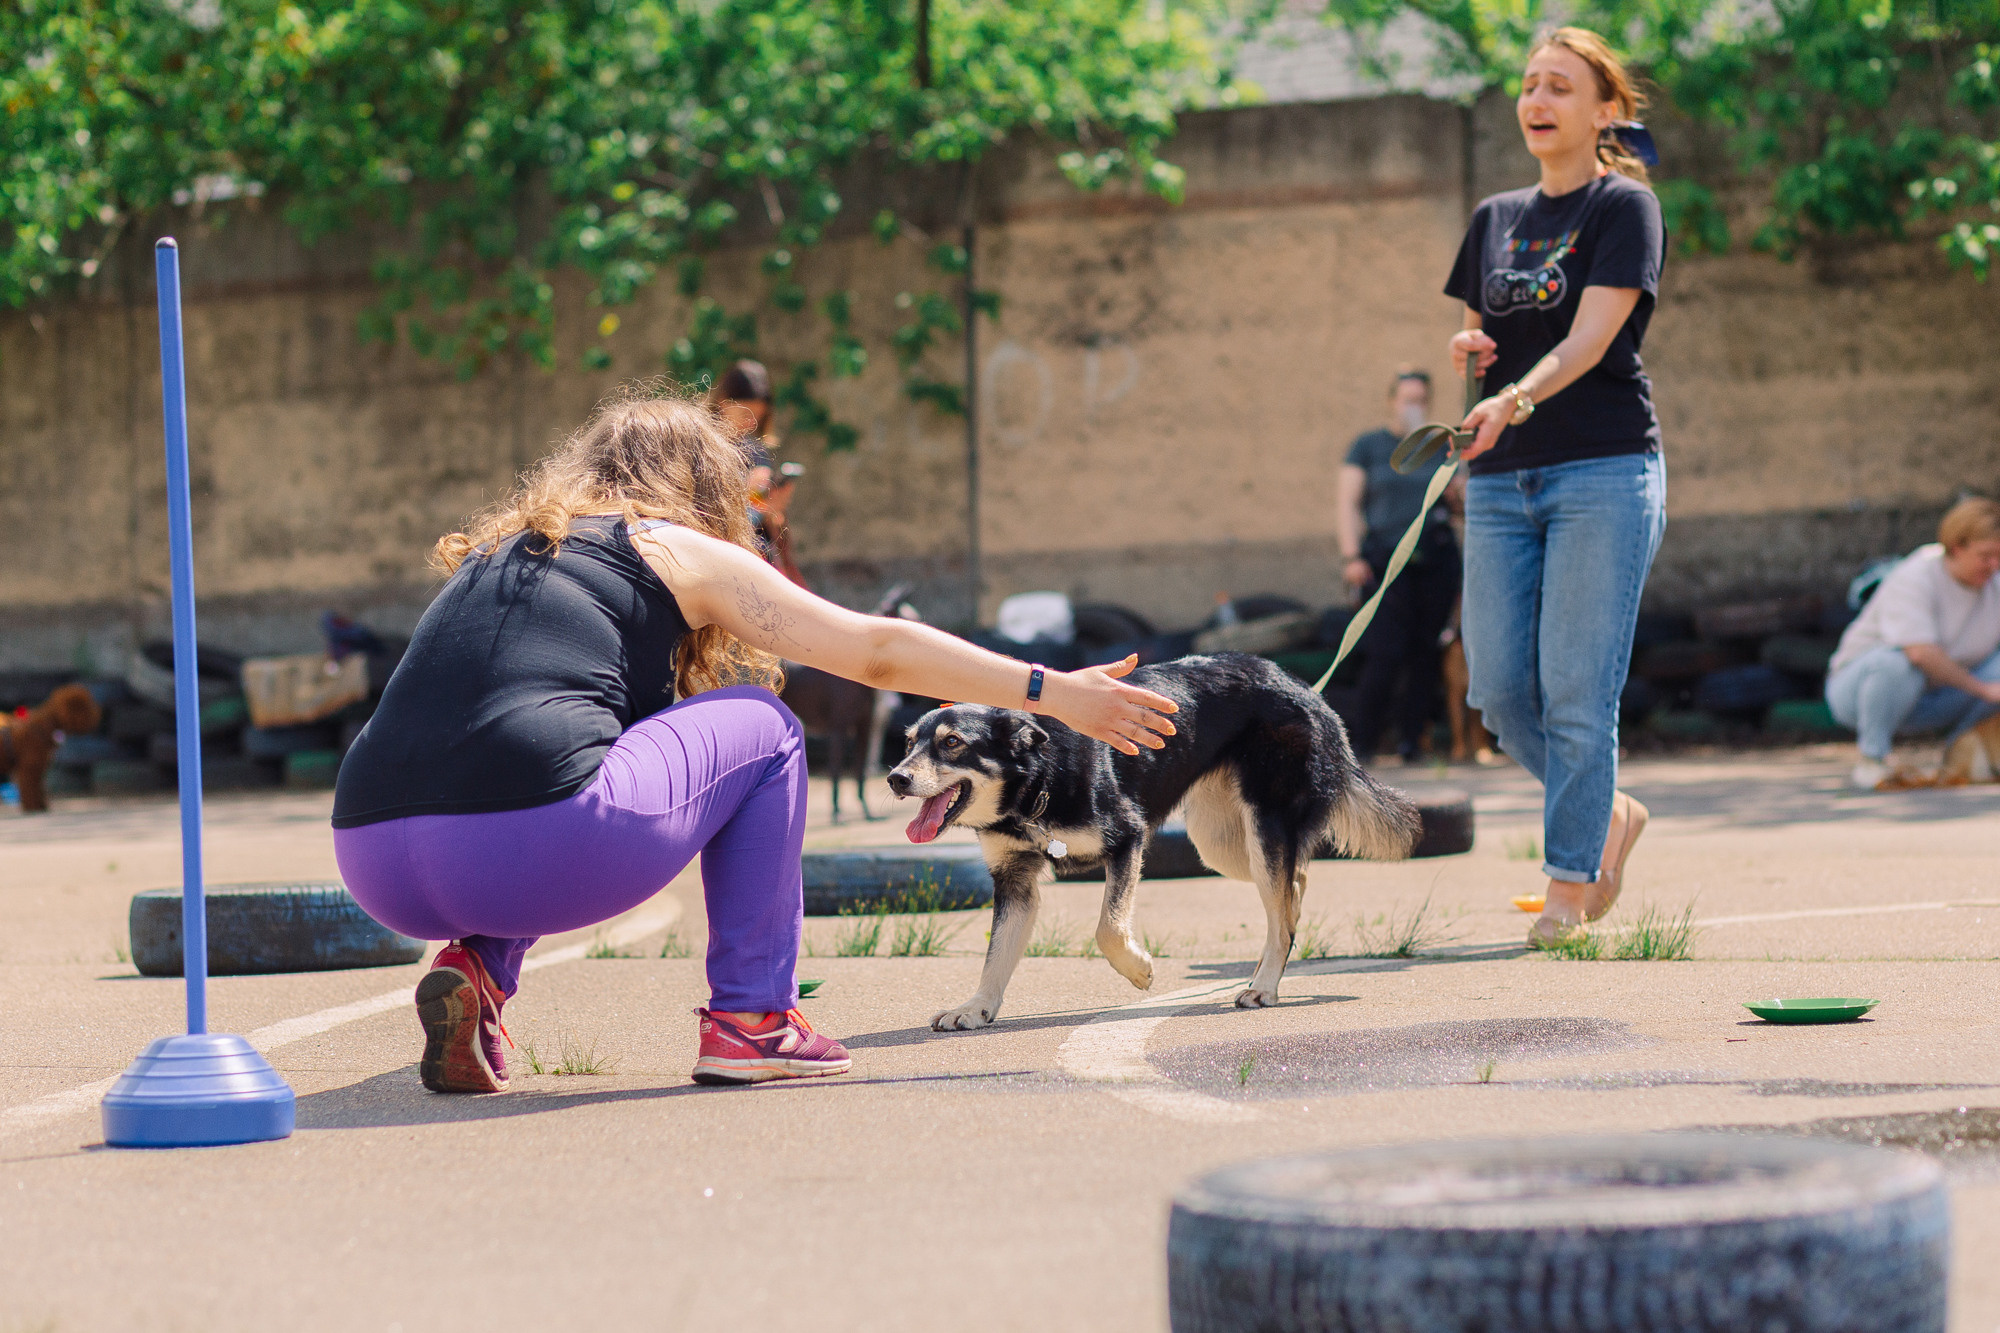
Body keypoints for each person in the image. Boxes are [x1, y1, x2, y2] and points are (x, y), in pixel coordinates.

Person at [331, 390, 1178, 1094]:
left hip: (372, 854)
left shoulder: (498, 550)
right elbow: (875, 649)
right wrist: (1055, 691)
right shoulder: (665, 543)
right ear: (699, 487)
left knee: (564, 751)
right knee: (765, 727)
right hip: (530, 842)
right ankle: (754, 1017)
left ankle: (477, 975)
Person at [1444, 27, 1666, 948]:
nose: (1538, 100)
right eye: (1531, 84)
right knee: (1497, 691)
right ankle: (1609, 812)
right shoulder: (1494, 217)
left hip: (1603, 469)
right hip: (1500, 480)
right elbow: (1477, 342)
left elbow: (1590, 341)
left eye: (1562, 87)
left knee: (1577, 690)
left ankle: (1570, 885)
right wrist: (1472, 361)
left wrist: (1516, 394)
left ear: (1605, 109)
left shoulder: (1625, 208)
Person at [1825, 497, 2000, 789]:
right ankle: (1872, 760)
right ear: (1957, 548)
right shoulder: (1916, 575)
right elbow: (1920, 653)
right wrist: (1983, 690)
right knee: (1896, 663)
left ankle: (1959, 756)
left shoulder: (1994, 582)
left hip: (1937, 694)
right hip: (1863, 692)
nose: (1994, 565)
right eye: (1986, 555)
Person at [1335, 368, 1463, 763]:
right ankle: (1362, 745)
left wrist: (1459, 489)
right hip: (1385, 561)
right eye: (1407, 399)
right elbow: (1347, 503)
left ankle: (1413, 743)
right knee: (1384, 652)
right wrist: (1351, 555)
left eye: (1421, 400)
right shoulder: (1369, 446)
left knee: (1426, 653)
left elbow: (1459, 506)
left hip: (1436, 558)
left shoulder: (1441, 446)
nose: (1414, 407)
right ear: (1392, 401)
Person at [709, 359, 808, 586]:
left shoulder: (756, 451)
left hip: (756, 562)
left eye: (758, 417)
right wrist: (747, 501)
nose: (751, 424)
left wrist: (773, 511)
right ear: (724, 403)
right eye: (745, 415)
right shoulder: (702, 450)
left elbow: (762, 518)